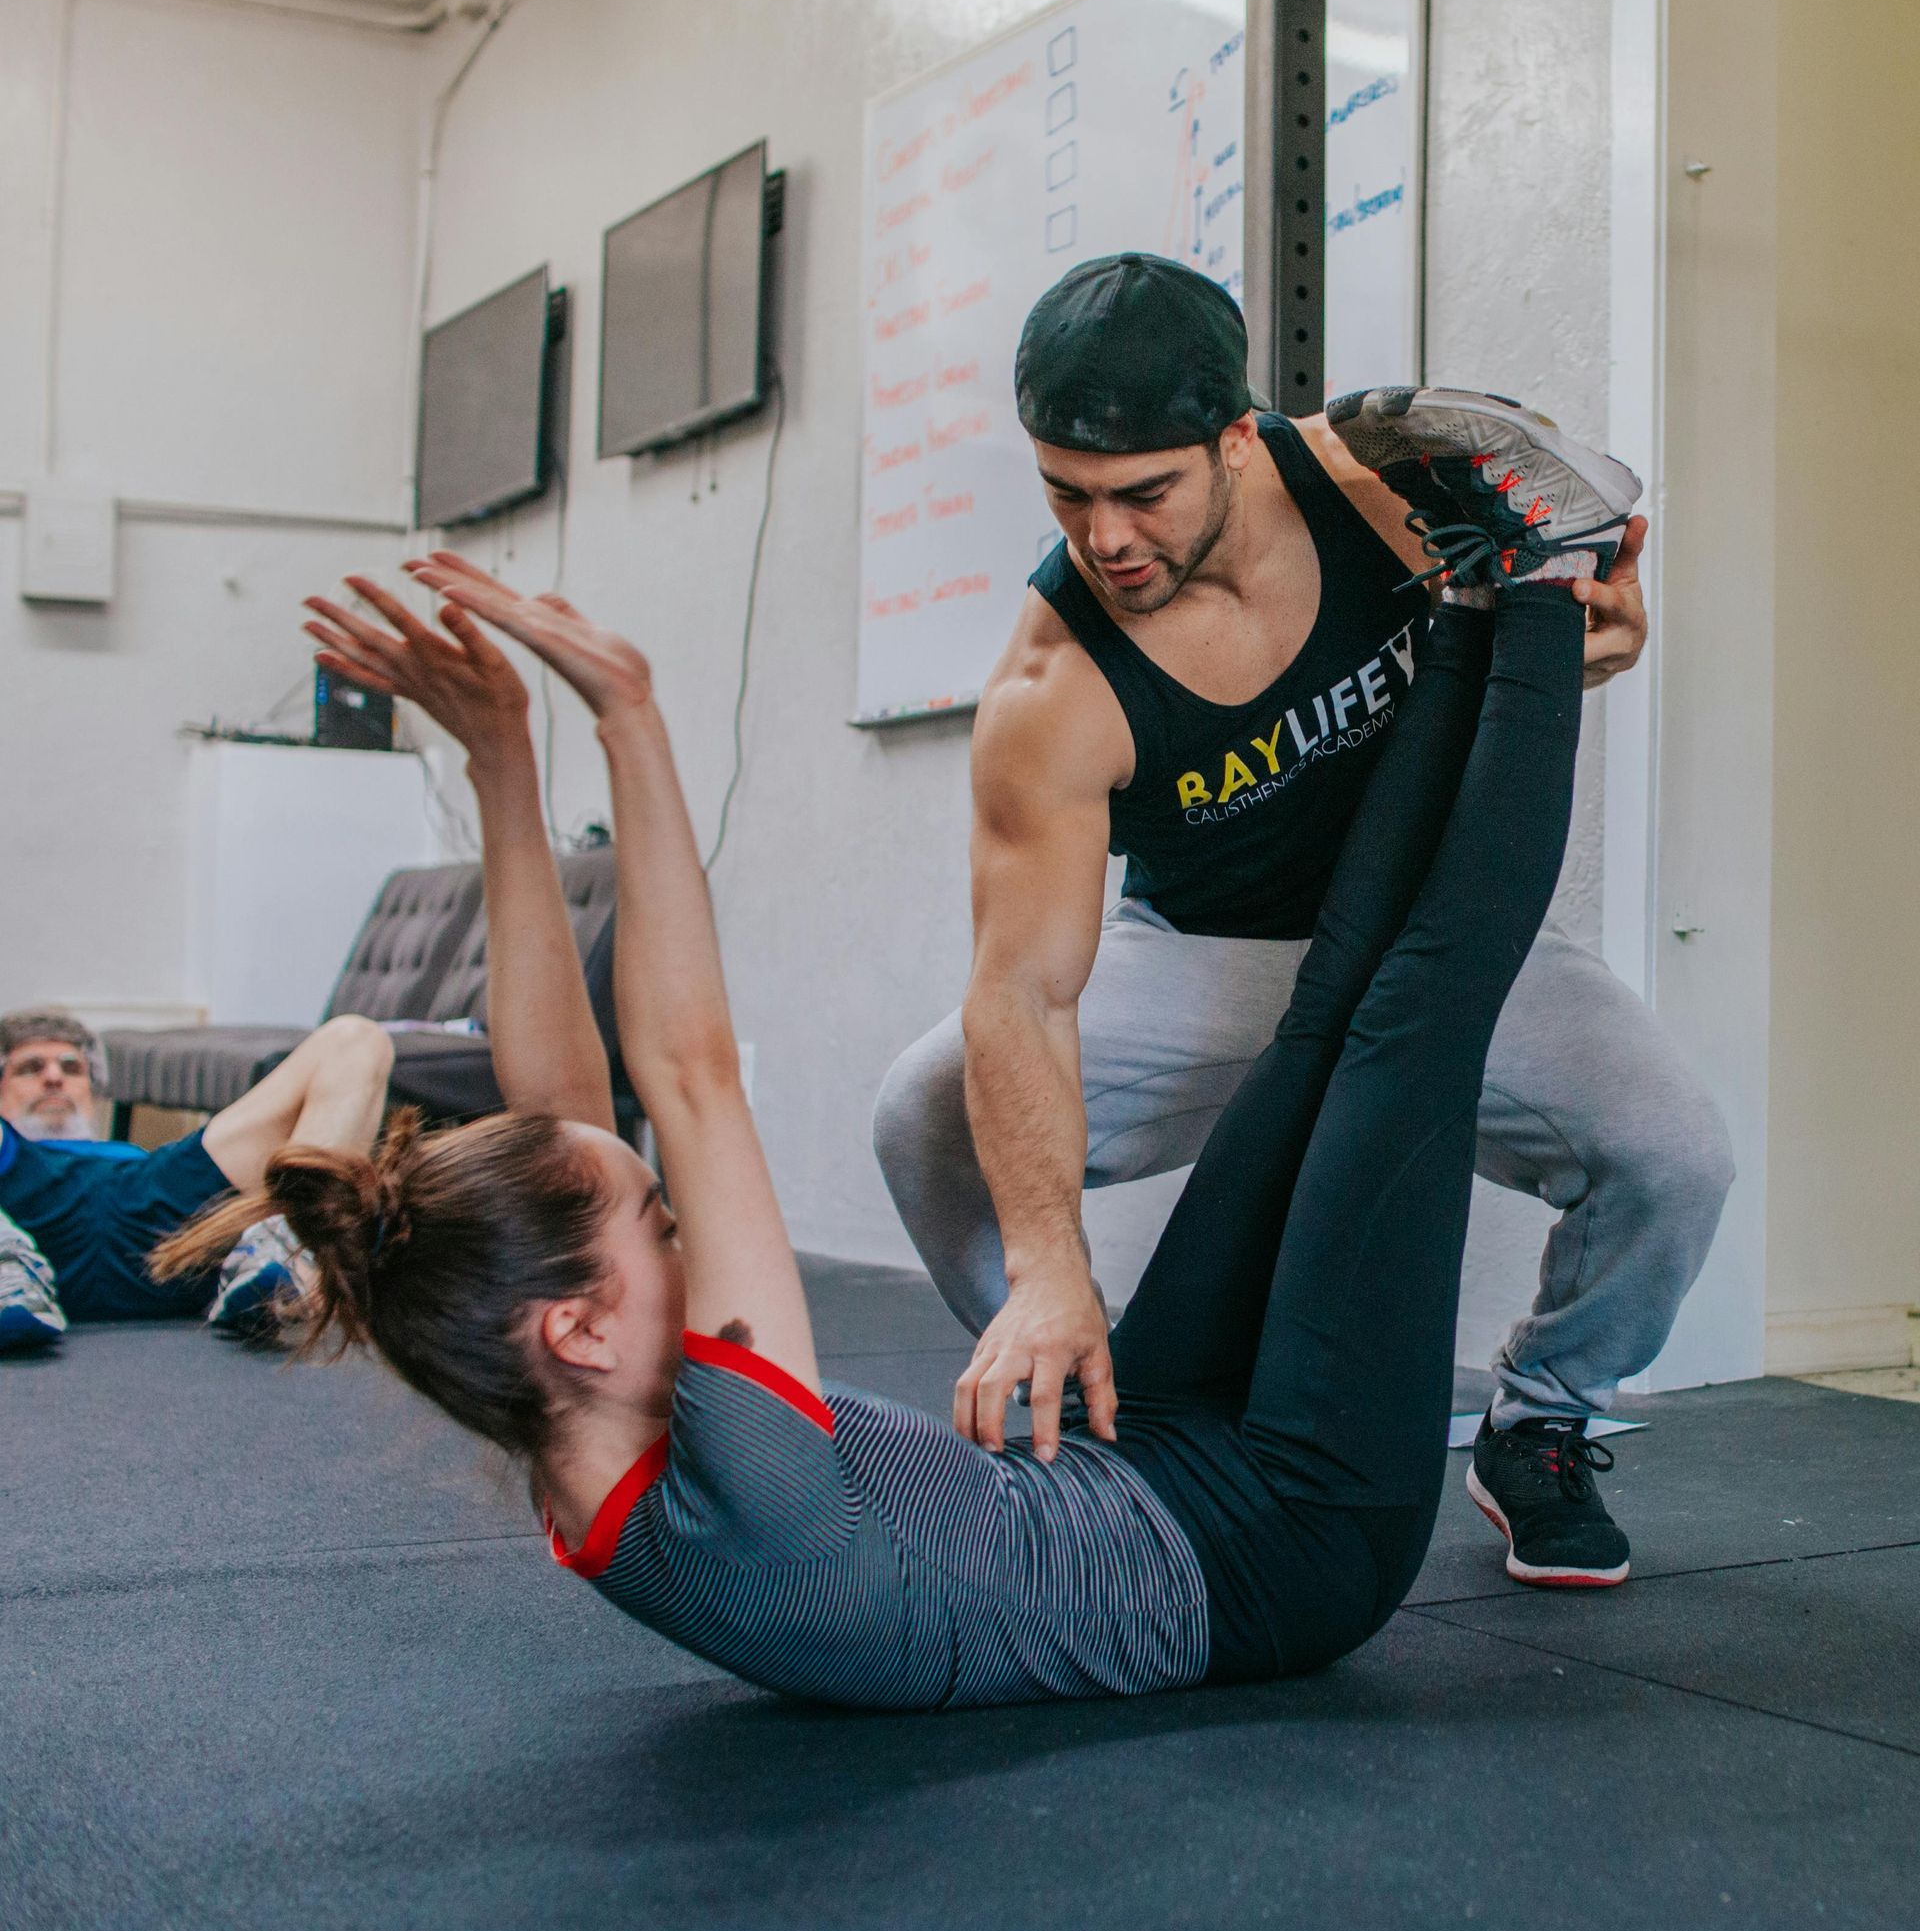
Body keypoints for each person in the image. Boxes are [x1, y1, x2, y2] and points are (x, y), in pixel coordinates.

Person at [160, 507, 1593, 1713]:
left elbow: (570, 1108)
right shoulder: (747, 1480)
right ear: (582, 1326)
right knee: (1412, 1018)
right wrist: (632, 713)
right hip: (1287, 1547)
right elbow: (692, 1076)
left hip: (1139, 1455)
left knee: (1322, 1019)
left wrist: (503, 765)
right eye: (659, 1225)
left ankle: (1463, 594)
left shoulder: (570, 1424)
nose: (688, 1228)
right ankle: (1541, 574)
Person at [873, 256, 1735, 1589]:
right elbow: (1022, 997)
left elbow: (1592, 602)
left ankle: (1544, 1417)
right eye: (1068, 496)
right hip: (1212, 959)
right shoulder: (1054, 687)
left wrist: (1600, 629)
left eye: (1144, 494)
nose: (1107, 540)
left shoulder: (1383, 483)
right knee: (924, 1115)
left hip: (1439, 936)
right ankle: (1075, 1391)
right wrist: (1050, 1265)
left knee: (1674, 1157)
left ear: (1237, 438)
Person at [0, 1005, 392, 1354]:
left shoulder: (140, 1163)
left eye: (71, 1068)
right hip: (21, 1205)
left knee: (358, 1040)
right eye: (30, 1068)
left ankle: (282, 1246)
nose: (54, 1078)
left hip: (163, 1208)